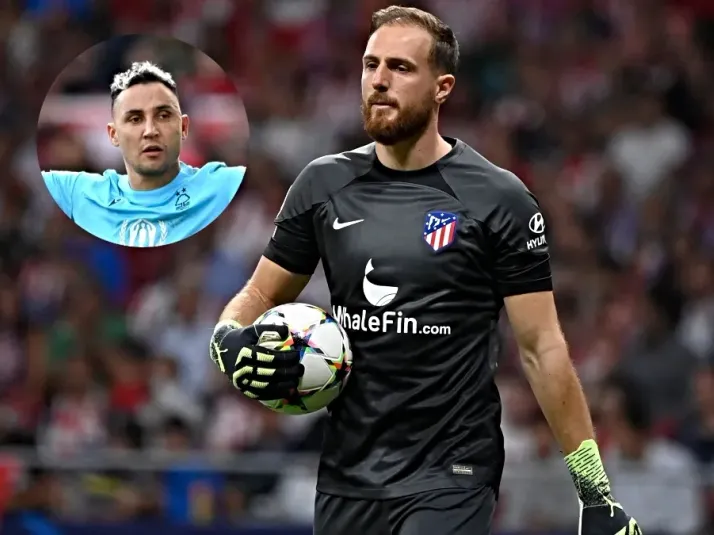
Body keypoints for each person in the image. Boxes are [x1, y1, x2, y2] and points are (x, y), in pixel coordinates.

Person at [209, 6, 642, 535]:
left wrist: (595, 494)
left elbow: (541, 347)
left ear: (443, 88)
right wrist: (226, 337)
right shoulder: (322, 185)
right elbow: (259, 294)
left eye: (400, 67)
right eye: (371, 65)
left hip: (452, 473)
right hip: (348, 474)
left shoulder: (498, 199)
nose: (379, 80)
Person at [41, 61, 246, 247]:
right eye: (137, 118)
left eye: (162, 115)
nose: (150, 130)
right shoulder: (97, 167)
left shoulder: (207, 169)